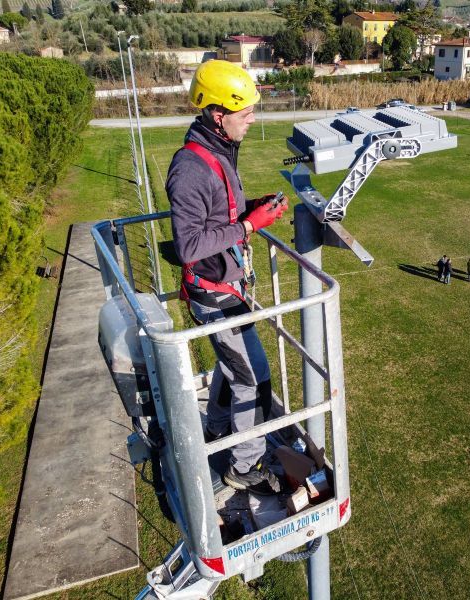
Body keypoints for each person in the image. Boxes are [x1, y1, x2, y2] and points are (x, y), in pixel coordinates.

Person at [166, 60, 288, 495]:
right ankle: (244, 465)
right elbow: (189, 246)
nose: (253, 121)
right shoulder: (191, 169)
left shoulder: (216, 150)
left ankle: (220, 428)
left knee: (232, 367)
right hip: (213, 293)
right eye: (245, 113)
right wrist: (251, 227)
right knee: (255, 381)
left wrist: (252, 207)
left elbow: (221, 211)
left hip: (225, 285)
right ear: (218, 115)